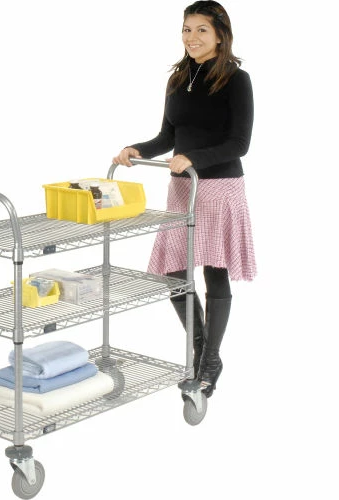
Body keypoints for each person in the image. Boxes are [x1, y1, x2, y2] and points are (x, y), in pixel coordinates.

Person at [112, 0, 256, 398]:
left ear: (221, 35)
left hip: (219, 187)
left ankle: (209, 360)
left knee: (214, 271)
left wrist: (194, 158)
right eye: (187, 30)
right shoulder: (178, 79)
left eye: (201, 30)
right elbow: (167, 137)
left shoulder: (236, 79)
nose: (191, 38)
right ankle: (201, 347)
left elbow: (240, 144)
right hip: (182, 187)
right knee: (174, 271)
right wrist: (137, 150)